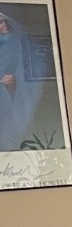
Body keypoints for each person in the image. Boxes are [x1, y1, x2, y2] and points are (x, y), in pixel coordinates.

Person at [0, 11, 38, 154]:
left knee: (9, 120)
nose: (2, 25)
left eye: (3, 22)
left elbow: (23, 66)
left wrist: (14, 78)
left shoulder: (15, 42)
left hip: (10, 90)